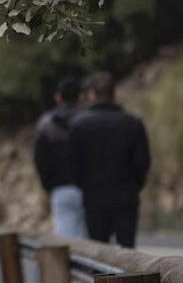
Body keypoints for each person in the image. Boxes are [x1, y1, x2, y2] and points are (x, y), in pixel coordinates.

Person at [68, 72, 150, 248]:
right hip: (126, 195)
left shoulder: (79, 126)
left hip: (94, 198)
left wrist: (85, 186)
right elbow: (142, 162)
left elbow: (73, 166)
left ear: (91, 95)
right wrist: (134, 185)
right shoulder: (132, 123)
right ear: (115, 94)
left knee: (100, 253)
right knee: (128, 253)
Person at [33, 77, 88, 239]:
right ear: (80, 97)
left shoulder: (45, 124)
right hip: (89, 189)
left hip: (60, 189)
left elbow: (40, 159)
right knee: (92, 246)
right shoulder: (89, 120)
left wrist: (48, 185)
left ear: (58, 97)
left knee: (66, 242)